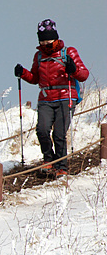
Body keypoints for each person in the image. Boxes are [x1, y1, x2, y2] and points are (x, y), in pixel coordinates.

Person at [14, 18, 89, 176]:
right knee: (42, 130)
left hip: (66, 96)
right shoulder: (39, 56)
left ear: (56, 37)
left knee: (59, 134)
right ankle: (48, 160)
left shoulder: (68, 52)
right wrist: (23, 73)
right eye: (42, 40)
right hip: (46, 98)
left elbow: (83, 75)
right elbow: (35, 78)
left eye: (48, 39)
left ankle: (61, 167)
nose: (46, 43)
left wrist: (73, 69)